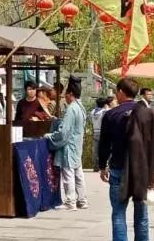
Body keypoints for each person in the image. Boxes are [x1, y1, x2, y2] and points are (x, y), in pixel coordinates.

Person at [99, 77, 154, 241]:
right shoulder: (149, 114)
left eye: (116, 91)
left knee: (118, 211)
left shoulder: (111, 115)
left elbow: (104, 144)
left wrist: (102, 166)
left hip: (118, 167)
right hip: (142, 169)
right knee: (141, 209)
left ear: (122, 92)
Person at [45, 76, 88, 211]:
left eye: (66, 95)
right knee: (78, 174)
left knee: (68, 173)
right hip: (77, 144)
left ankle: (71, 202)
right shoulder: (81, 108)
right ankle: (82, 200)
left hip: (69, 145)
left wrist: (50, 136)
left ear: (70, 94)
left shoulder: (71, 109)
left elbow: (64, 132)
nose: (65, 98)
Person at [91, 97, 110, 172]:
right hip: (102, 132)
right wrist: (107, 107)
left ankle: (96, 165)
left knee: (95, 150)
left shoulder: (93, 112)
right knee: (104, 149)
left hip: (95, 131)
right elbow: (110, 111)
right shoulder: (104, 111)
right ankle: (105, 165)